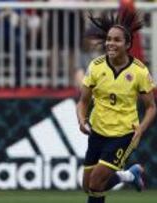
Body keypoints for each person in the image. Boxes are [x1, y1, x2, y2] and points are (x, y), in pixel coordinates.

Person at [76, 10, 156, 203]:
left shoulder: (139, 71)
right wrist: (81, 120)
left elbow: (151, 107)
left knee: (96, 183)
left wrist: (140, 129)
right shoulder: (96, 67)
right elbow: (83, 101)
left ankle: (127, 175)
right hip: (98, 131)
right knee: (88, 186)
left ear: (127, 45)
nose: (111, 43)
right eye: (109, 39)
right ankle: (129, 175)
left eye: (117, 40)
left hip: (123, 134)